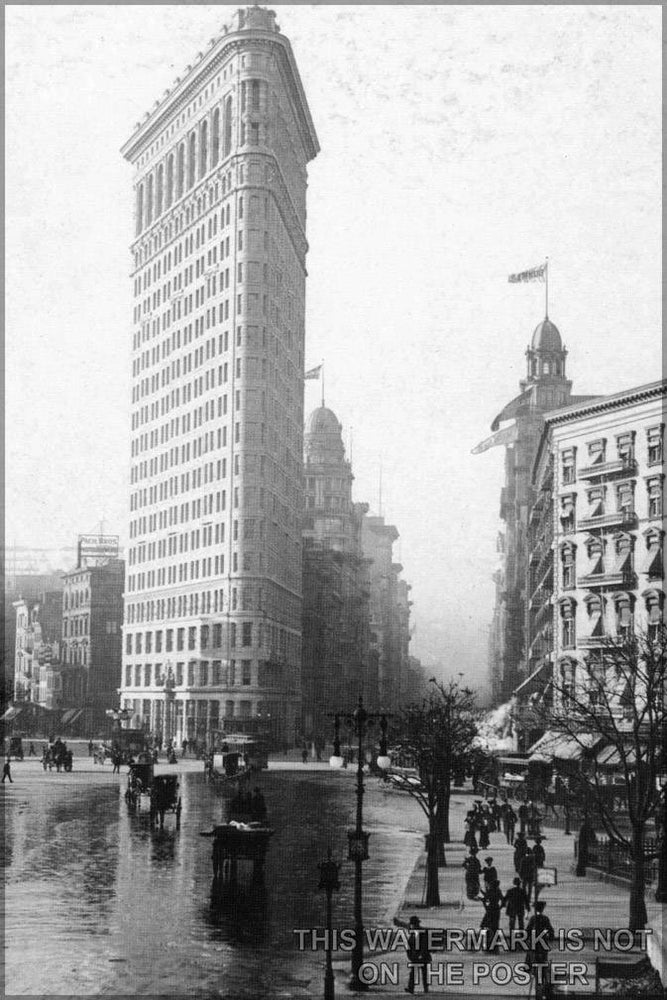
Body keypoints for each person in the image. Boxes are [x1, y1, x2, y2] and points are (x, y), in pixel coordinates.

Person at [526, 901, 555, 1000]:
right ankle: (541, 985)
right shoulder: (545, 919)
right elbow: (551, 931)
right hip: (542, 946)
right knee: (542, 966)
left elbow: (528, 931)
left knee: (534, 962)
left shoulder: (533, 918)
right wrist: (551, 938)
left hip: (534, 945)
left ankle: (531, 971)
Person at [405, 915, 431, 993]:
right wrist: (410, 956)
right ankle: (411, 988)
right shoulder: (413, 933)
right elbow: (409, 945)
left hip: (423, 957)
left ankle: (425, 988)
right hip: (415, 957)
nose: (412, 926)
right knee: (413, 973)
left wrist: (421, 955)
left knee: (424, 973)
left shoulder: (423, 932)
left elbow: (425, 945)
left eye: (413, 924)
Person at [480, 878, 503, 952]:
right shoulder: (498, 891)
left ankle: (487, 943)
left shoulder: (490, 891)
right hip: (496, 909)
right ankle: (494, 944)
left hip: (490, 910)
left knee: (485, 925)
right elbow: (503, 900)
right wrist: (500, 907)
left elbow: (485, 898)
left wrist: (485, 906)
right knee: (495, 926)